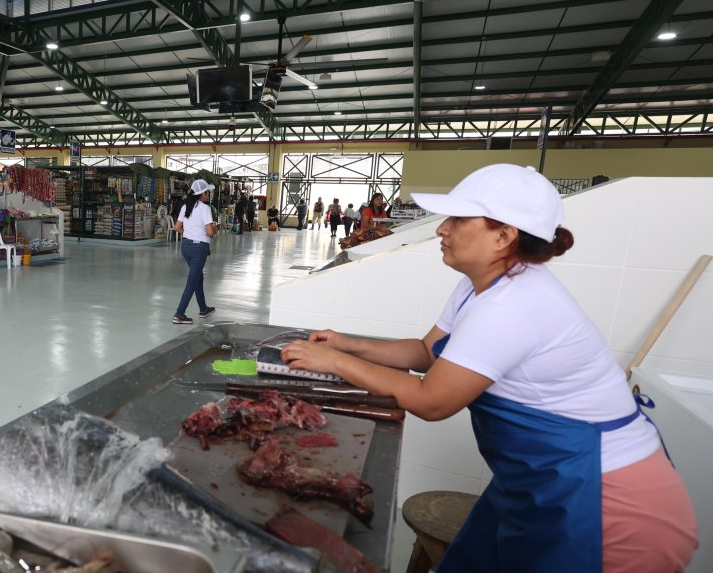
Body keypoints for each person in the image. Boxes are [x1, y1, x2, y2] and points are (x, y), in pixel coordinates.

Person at [279, 164, 697, 573]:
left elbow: (432, 400)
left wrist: (337, 362)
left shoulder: (514, 304)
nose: (442, 229)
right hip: (538, 482)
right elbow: (427, 351)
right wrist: (348, 344)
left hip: (607, 504)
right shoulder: (480, 287)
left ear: (504, 236)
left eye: (458, 219)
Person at [172, 179, 216, 324]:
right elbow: (210, 232)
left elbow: (177, 227)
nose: (208, 194)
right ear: (202, 194)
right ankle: (179, 314)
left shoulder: (186, 206)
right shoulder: (205, 208)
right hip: (199, 248)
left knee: (198, 277)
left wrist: (188, 234)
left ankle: (203, 309)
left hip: (186, 246)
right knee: (192, 281)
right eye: (207, 192)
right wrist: (215, 229)